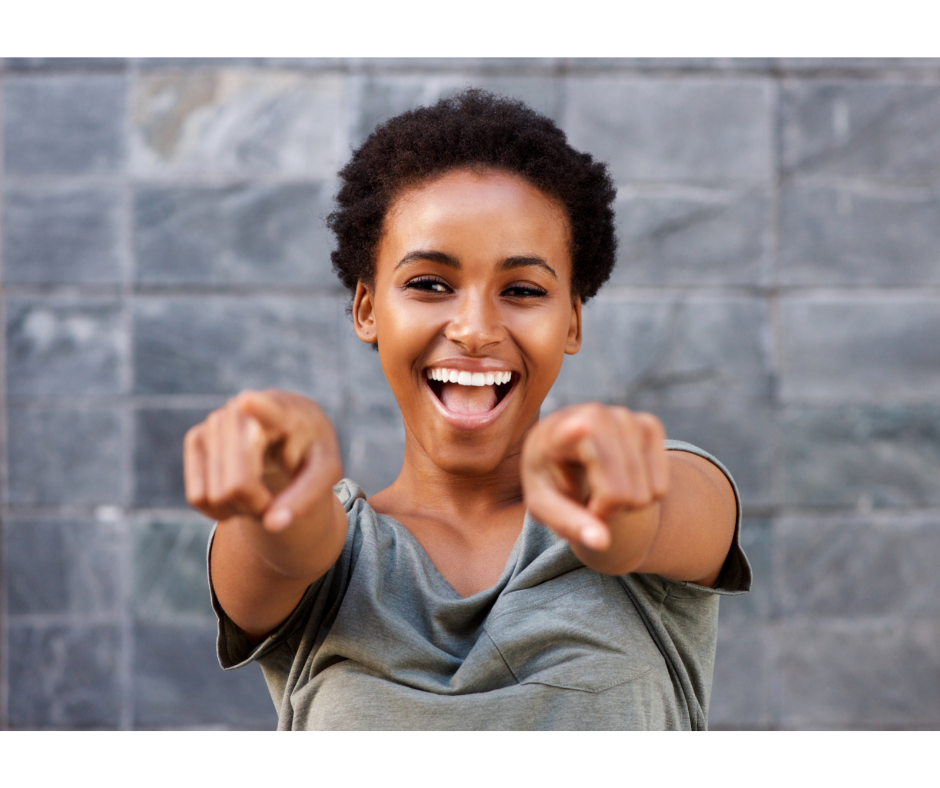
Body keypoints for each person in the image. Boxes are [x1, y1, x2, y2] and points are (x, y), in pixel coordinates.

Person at [183, 89, 751, 730]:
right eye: (429, 283)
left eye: (522, 290)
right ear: (367, 309)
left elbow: (673, 511)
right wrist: (279, 499)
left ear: (571, 321)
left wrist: (626, 517)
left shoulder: (656, 502)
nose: (476, 328)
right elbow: (285, 548)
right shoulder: (330, 552)